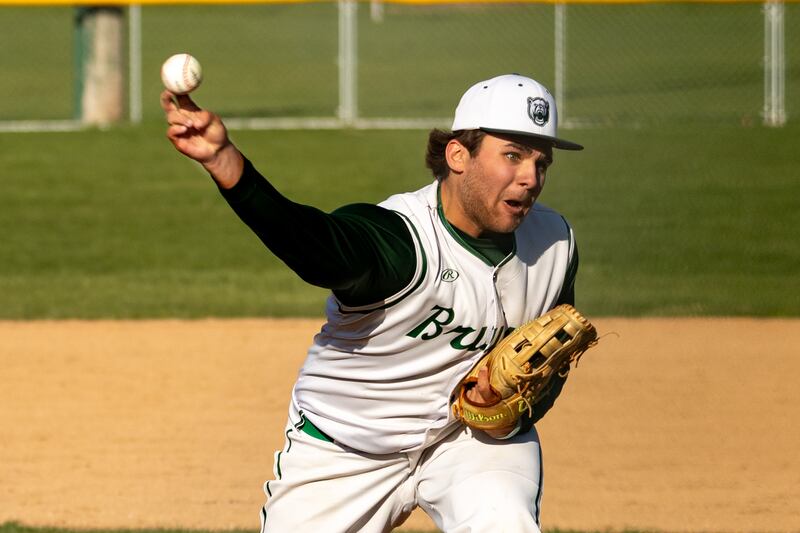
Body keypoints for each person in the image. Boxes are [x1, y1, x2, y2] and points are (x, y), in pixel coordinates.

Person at [162, 73, 584, 532]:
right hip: (345, 445)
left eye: (541, 163)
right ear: (458, 155)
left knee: (504, 523)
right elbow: (313, 245)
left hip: (466, 442)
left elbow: (550, 362)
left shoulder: (554, 243)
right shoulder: (399, 240)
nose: (531, 178)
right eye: (513, 156)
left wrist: (513, 412)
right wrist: (227, 163)